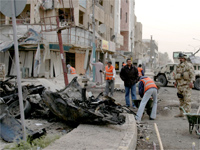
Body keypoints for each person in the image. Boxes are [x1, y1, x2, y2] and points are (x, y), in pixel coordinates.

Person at [174, 53, 195, 117]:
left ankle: (188, 114)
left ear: (185, 59)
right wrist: (175, 82)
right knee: (181, 100)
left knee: (187, 100)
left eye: (182, 58)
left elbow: (192, 74)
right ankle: (181, 113)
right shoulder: (178, 66)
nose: (180, 59)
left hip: (186, 85)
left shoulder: (188, 65)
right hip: (180, 86)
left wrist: (191, 82)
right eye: (180, 58)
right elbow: (176, 75)